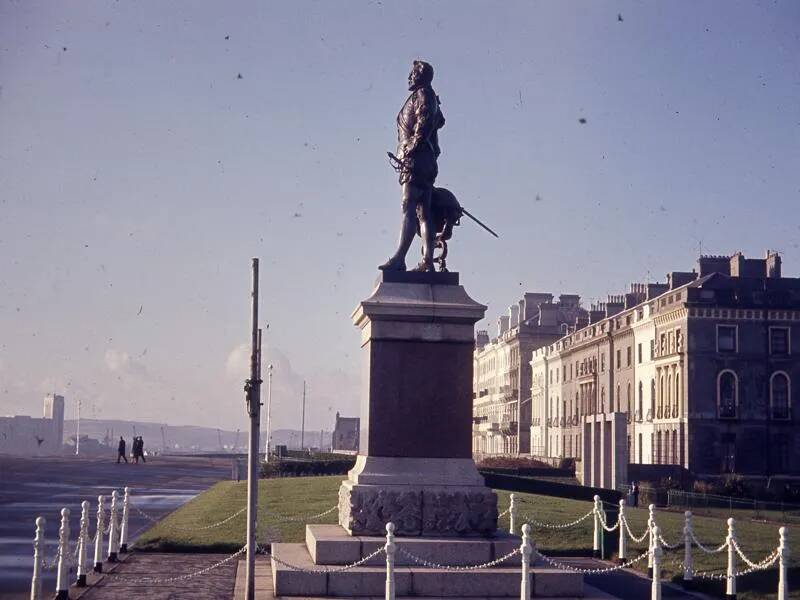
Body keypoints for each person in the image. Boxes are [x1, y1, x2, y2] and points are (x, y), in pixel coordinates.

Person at [380, 60, 446, 273]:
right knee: (422, 212)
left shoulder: (423, 95)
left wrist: (410, 147)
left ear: (421, 76)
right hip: (424, 159)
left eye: (413, 74)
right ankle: (427, 260)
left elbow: (424, 124)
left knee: (408, 207)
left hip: (416, 158)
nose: (409, 77)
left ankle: (400, 258)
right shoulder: (427, 95)